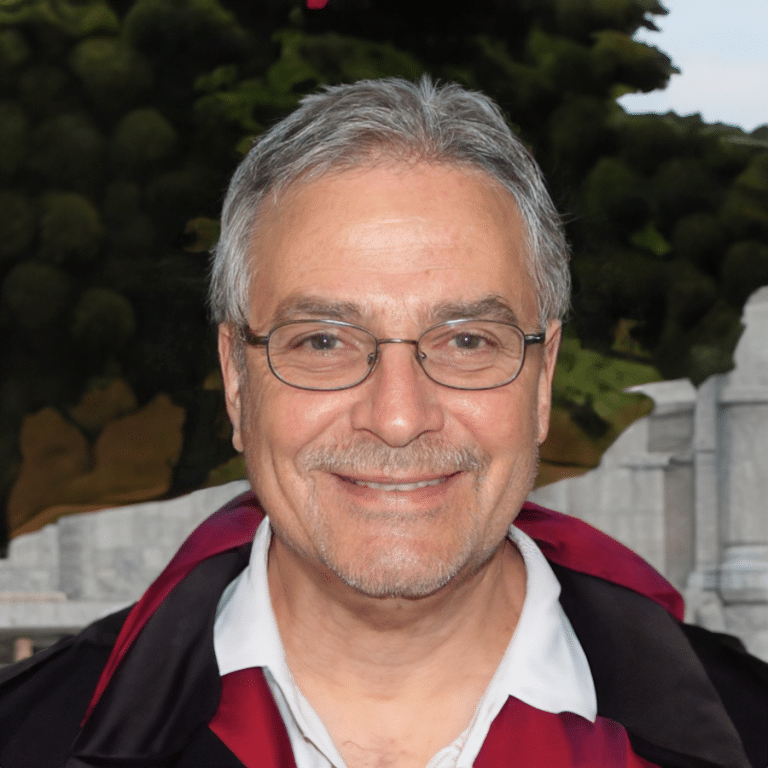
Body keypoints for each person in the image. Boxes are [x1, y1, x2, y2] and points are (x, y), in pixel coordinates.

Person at [0, 77, 765, 768]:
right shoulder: (24, 736)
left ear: (542, 379)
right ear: (236, 379)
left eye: (467, 341)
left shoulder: (750, 728)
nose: (398, 417)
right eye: (322, 342)